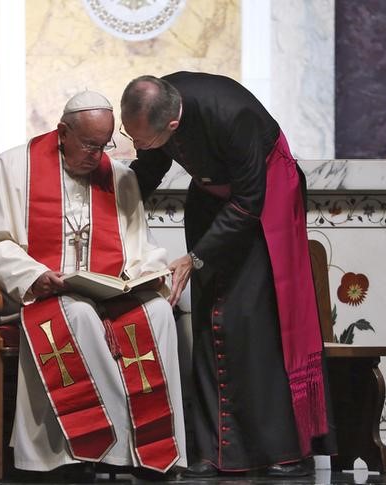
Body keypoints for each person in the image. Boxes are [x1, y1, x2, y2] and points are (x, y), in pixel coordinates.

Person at [0, 91, 186, 478]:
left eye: (104, 144)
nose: (98, 155)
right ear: (63, 132)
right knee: (77, 314)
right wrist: (32, 275)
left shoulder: (118, 177)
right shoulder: (16, 167)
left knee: (157, 311)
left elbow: (141, 244)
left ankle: (151, 449)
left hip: (105, 290)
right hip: (40, 291)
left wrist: (146, 274)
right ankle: (93, 449)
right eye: (90, 144)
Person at [120, 72, 335, 478]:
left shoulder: (232, 116)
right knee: (208, 318)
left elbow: (250, 200)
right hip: (210, 201)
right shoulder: (157, 106)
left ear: (171, 125)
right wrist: (111, 211)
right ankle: (212, 450)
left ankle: (282, 450)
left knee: (252, 320)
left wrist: (195, 257)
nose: (137, 145)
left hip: (263, 205)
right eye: (131, 135)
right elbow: (147, 170)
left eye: (142, 139)